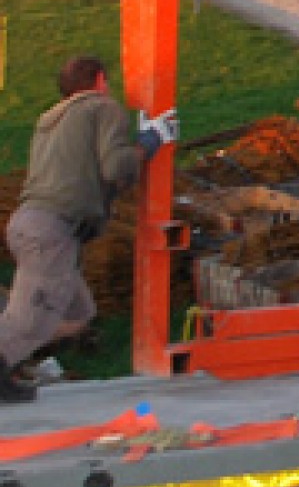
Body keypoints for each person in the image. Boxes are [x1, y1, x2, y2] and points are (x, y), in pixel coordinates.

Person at [0, 56, 172, 403]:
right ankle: (4, 365)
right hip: (52, 231)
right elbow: (115, 168)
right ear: (99, 80)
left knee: (79, 313)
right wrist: (152, 140)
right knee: (32, 319)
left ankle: (7, 361)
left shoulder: (49, 120)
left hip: (29, 225)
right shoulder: (102, 108)